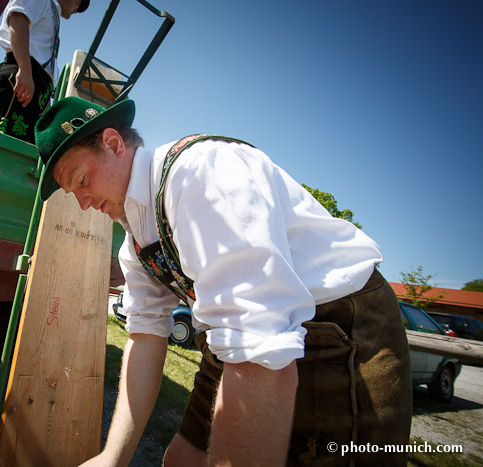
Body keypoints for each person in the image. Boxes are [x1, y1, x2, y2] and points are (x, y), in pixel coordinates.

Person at [34, 96, 412, 466]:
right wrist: (113, 458)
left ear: (113, 144)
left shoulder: (200, 174)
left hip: (338, 328)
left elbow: (260, 349)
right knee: (181, 459)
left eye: (81, 180)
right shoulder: (134, 244)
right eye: (73, 193)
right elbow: (145, 334)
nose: (83, 202)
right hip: (240, 339)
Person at [0, 0, 89, 143]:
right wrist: (25, 70)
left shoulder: (51, 12)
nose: (76, 9)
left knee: (23, 151)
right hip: (23, 79)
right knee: (4, 143)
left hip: (37, 87)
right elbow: (18, 19)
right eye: (78, 2)